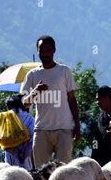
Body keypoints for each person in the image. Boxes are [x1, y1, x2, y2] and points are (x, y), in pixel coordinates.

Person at [20, 35, 81, 168]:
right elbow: (24, 103)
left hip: (64, 128)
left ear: (54, 50)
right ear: (37, 51)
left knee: (63, 172)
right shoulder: (32, 75)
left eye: (47, 50)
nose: (44, 53)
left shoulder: (64, 71)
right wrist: (36, 91)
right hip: (42, 130)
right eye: (41, 50)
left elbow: (72, 100)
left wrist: (77, 124)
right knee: (41, 172)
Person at [0, 94, 35, 170]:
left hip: (9, 153)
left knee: (10, 174)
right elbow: (32, 135)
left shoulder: (3, 116)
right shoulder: (30, 118)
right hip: (26, 153)